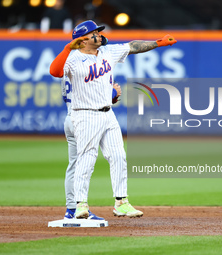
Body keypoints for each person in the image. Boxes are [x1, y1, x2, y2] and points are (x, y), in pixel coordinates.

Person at [49, 20, 177, 219]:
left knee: (118, 155)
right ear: (83, 39)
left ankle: (121, 202)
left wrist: (157, 43)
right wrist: (68, 47)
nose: (100, 34)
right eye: (95, 33)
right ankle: (80, 204)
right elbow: (55, 72)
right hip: (85, 114)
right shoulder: (73, 59)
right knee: (86, 158)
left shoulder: (108, 52)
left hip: (108, 114)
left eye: (99, 32)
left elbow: (132, 46)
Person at [62, 74, 121, 220]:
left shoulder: (67, 66)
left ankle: (71, 210)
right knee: (86, 162)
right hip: (83, 120)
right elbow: (92, 96)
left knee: (74, 165)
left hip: (70, 117)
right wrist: (113, 92)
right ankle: (79, 207)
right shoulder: (81, 66)